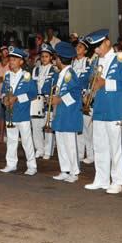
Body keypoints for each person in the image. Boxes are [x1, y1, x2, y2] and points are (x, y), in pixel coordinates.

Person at [84, 29, 122, 193]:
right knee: (99, 146)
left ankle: (117, 181)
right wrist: (91, 88)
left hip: (114, 110)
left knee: (116, 148)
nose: (96, 50)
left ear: (107, 42)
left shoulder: (120, 59)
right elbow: (91, 82)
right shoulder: (95, 61)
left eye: (98, 47)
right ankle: (101, 179)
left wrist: (106, 83)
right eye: (94, 48)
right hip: (99, 109)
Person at [0, 46, 37, 175]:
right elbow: (3, 92)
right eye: (10, 59)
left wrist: (17, 98)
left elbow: (33, 94)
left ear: (21, 61)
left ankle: (32, 166)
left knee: (27, 141)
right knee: (11, 140)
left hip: (23, 113)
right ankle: (11, 164)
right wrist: (4, 99)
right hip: (10, 113)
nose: (11, 61)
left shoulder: (26, 76)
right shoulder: (7, 75)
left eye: (14, 59)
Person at [50, 42, 83, 182]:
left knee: (70, 145)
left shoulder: (69, 74)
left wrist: (60, 99)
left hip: (69, 114)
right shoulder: (62, 74)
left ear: (59, 59)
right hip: (61, 114)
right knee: (61, 143)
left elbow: (76, 94)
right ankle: (65, 169)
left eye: (56, 58)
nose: (55, 60)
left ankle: (74, 172)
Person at [30, 43, 58, 160]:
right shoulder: (35, 69)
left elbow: (56, 86)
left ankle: (48, 150)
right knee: (36, 126)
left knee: (48, 127)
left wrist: (51, 98)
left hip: (48, 100)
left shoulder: (54, 69)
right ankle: (39, 149)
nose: (44, 58)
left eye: (46, 56)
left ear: (51, 57)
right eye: (42, 56)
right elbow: (32, 85)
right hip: (37, 101)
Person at [71, 37, 95, 164]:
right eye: (77, 46)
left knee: (88, 128)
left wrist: (88, 95)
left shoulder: (89, 62)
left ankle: (91, 154)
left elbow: (92, 80)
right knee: (78, 127)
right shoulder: (72, 63)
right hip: (74, 97)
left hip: (85, 97)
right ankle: (80, 153)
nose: (77, 48)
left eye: (80, 47)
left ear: (85, 51)